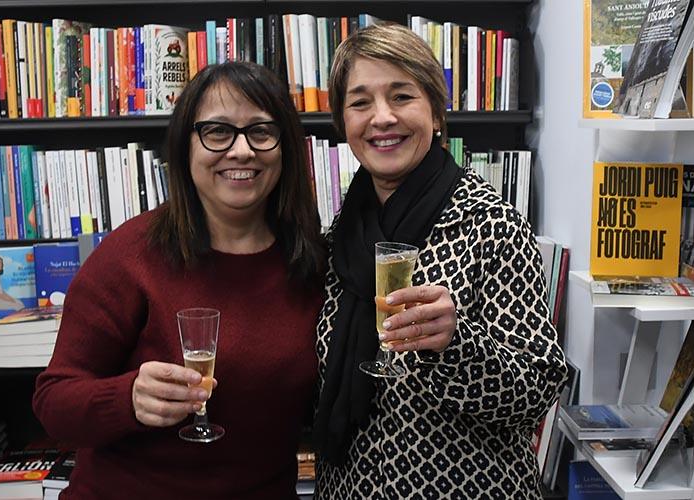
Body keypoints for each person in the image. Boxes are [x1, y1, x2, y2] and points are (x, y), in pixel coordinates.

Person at [33, 62, 326, 500]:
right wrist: (127, 399)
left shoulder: (312, 261)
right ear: (184, 146)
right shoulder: (131, 254)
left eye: (261, 131)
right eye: (217, 132)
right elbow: (53, 403)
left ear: (285, 147)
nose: (242, 150)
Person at [313, 23, 568, 499]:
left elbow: (537, 391)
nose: (382, 117)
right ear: (342, 122)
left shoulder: (492, 225)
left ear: (435, 111)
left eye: (402, 96)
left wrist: (456, 344)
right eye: (360, 102)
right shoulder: (338, 236)